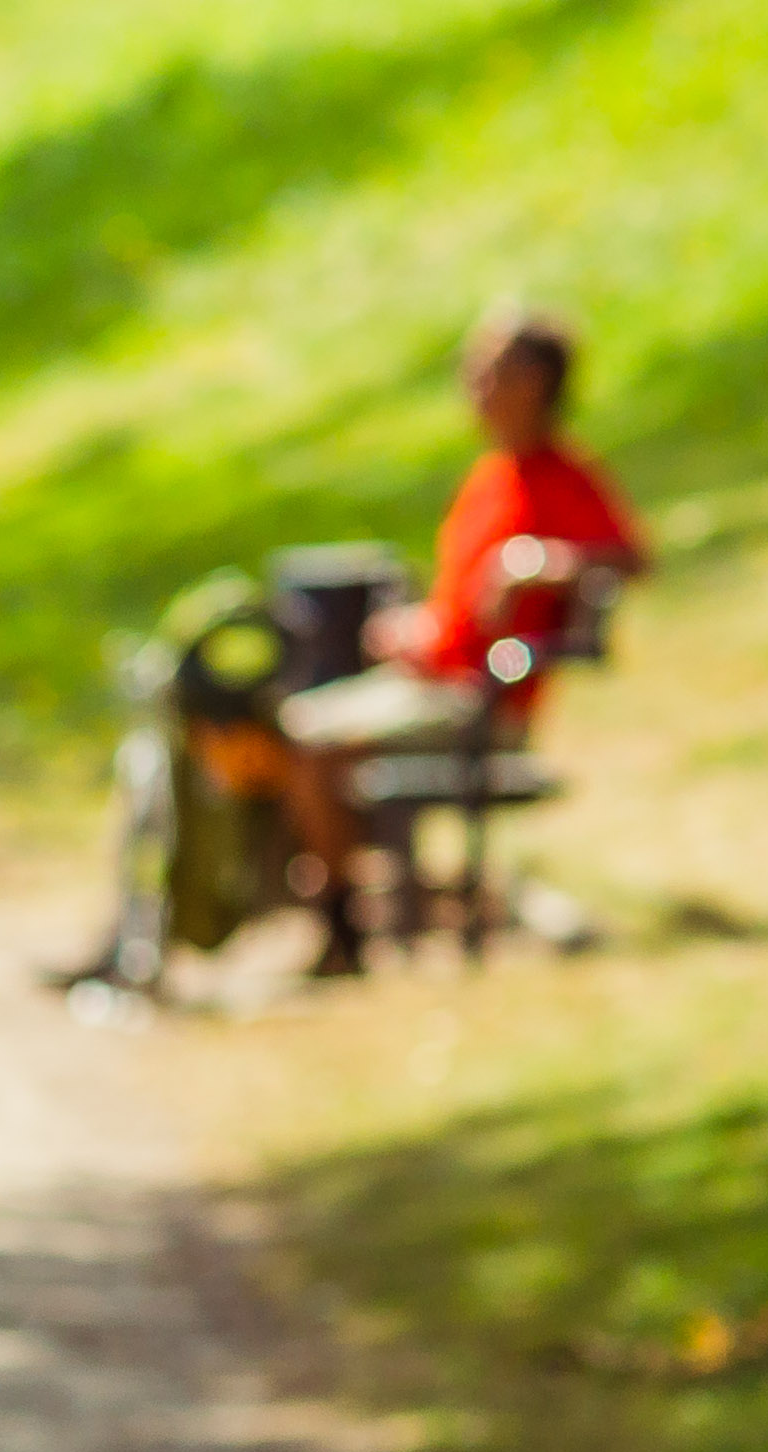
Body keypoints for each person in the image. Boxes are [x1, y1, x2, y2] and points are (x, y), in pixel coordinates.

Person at [218, 303, 650, 973]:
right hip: (431, 679)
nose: (471, 387)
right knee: (273, 723)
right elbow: (458, 600)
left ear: (534, 383)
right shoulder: (491, 477)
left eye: (488, 372)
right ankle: (314, 910)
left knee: (310, 742)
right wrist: (416, 628)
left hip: (476, 701)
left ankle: (341, 934)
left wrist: (540, 562)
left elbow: (630, 558)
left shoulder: (562, 476)